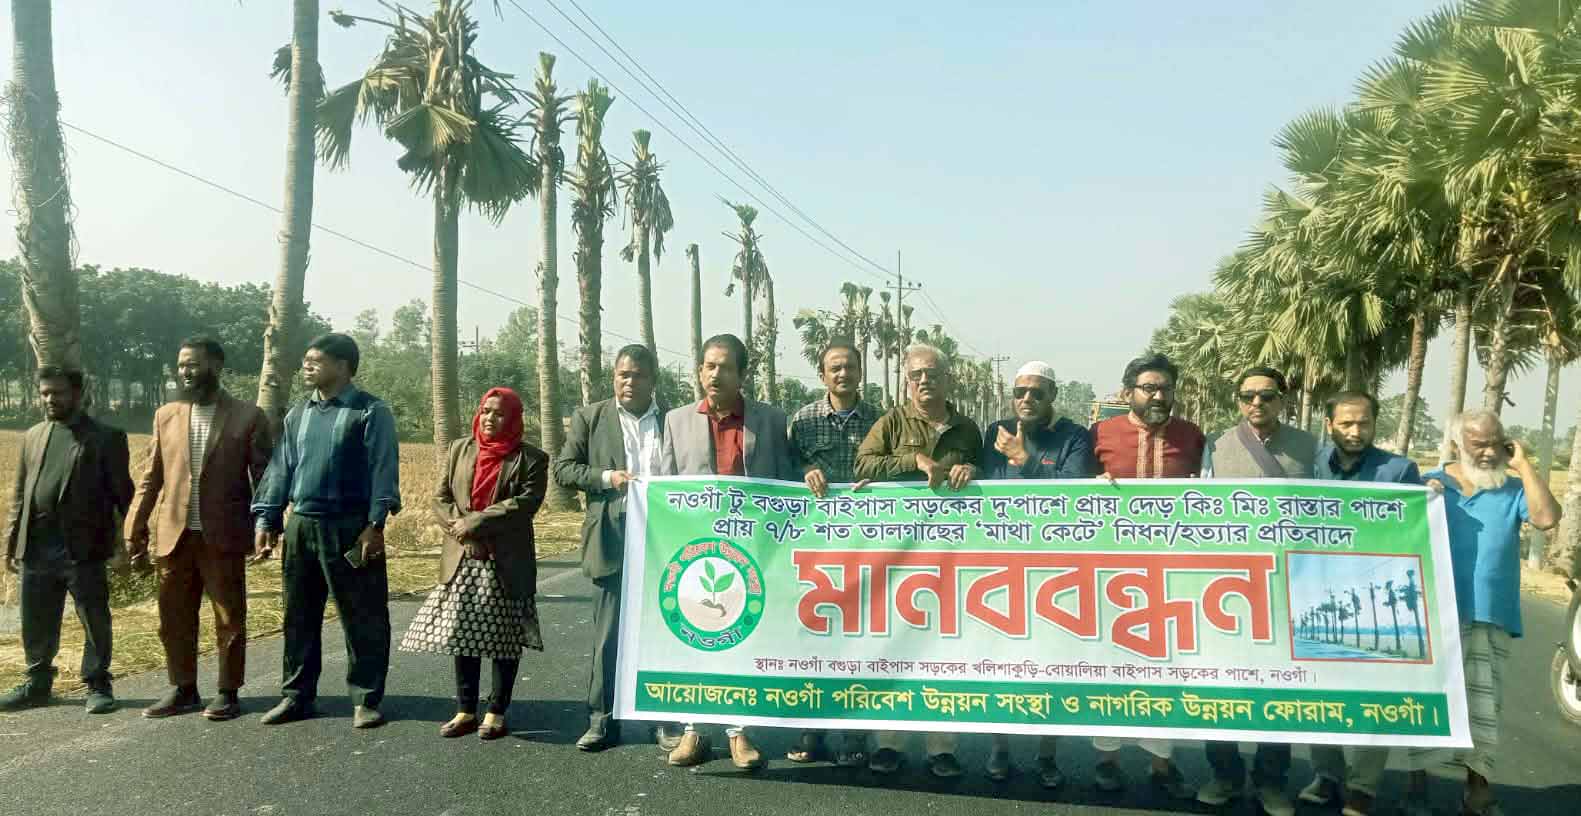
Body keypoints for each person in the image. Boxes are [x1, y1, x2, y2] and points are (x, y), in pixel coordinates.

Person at [1403, 410, 1560, 816]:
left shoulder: (1512, 488)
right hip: (1433, 616)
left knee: (1484, 709)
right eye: (1479, 444)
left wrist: (1524, 464)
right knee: (1427, 703)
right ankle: (1417, 789)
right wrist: (1420, 499)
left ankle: (1477, 792)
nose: (1489, 452)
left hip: (1491, 614)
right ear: (1458, 444)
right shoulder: (1430, 485)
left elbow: (1546, 518)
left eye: (1496, 442)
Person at [658, 333, 797, 770]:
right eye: (709, 366)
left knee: (742, 638)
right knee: (694, 638)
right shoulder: (676, 421)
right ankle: (694, 730)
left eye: (725, 367)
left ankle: (739, 733)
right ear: (700, 370)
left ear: (743, 375)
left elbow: (785, 484)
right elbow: (665, 490)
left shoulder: (771, 421)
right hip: (695, 553)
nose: (715, 374)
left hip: (753, 551)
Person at [252, 333, 401, 729]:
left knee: (363, 616)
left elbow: (383, 469)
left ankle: (366, 699)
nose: (306, 366)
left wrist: (375, 525)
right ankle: (297, 696)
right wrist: (267, 519)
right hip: (302, 526)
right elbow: (281, 468)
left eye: (315, 361)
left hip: (351, 527)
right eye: (305, 360)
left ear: (343, 366)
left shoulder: (370, 411)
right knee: (298, 614)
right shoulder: (297, 414)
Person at [125, 337, 274, 721]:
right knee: (173, 618)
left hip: (222, 536)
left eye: (192, 364)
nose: (185, 372)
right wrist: (134, 525)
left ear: (216, 366)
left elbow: (265, 478)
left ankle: (228, 691)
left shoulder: (248, 416)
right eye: (181, 365)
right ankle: (183, 688)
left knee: (229, 617)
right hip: (174, 536)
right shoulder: (166, 415)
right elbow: (151, 477)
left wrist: (267, 524)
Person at [854, 343, 981, 779]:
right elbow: (863, 464)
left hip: (950, 558)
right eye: (916, 375)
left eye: (932, 374)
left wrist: (972, 473)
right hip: (898, 556)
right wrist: (914, 460)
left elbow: (989, 478)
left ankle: (941, 747)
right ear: (907, 381)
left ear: (948, 379)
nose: (924, 381)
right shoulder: (892, 422)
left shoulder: (968, 429)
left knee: (944, 650)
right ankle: (888, 743)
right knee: (896, 647)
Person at [1196, 366, 1317, 816]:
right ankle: (1224, 775)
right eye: (1248, 396)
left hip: (1287, 585)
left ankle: (1271, 782)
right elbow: (1200, 510)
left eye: (1266, 396)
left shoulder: (1310, 447)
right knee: (1220, 685)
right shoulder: (1215, 446)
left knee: (1279, 689)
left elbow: (1334, 505)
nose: (1256, 403)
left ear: (1282, 400)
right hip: (1226, 587)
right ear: (1238, 400)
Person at [1297, 391, 1422, 815]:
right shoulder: (1310, 465)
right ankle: (1327, 775)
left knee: (1377, 696)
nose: (1355, 431)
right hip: (1314, 591)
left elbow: (1415, 528)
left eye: (1363, 423)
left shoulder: (1399, 470)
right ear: (1329, 424)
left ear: (1374, 424)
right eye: (1346, 423)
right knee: (1318, 691)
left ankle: (1362, 788)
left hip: (1375, 598)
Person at [400, 387, 546, 741]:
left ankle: (496, 711)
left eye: (499, 413)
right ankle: (465, 709)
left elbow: (525, 503)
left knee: (503, 638)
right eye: (486, 411)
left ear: (513, 419)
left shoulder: (531, 459)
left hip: (505, 560)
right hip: (463, 556)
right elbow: (441, 498)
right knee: (463, 634)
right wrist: (464, 534)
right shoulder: (459, 449)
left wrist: (476, 523)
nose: (490, 418)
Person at [1086, 353, 1199, 799]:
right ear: (1127, 391)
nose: (1157, 396)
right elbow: (1070, 491)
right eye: (1149, 388)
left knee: (1168, 667)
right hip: (1110, 571)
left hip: (1172, 572)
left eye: (1165, 388)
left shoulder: (1192, 436)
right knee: (1109, 664)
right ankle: (1106, 760)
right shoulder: (1101, 434)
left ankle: (1161, 763)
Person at [977, 361, 1091, 785]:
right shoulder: (996, 431)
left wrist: (1023, 459)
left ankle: (1047, 754)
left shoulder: (1075, 436)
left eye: (1036, 393)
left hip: (1055, 567)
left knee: (1052, 664)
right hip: (1001, 563)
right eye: (1020, 392)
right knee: (998, 662)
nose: (1026, 399)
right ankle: (999, 747)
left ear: (1052, 396)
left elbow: (1072, 488)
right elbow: (984, 484)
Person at [553, 344, 672, 753]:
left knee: (663, 631)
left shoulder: (673, 419)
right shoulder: (590, 417)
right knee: (608, 634)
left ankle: (664, 720)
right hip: (611, 535)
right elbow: (564, 469)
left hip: (664, 540)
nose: (629, 381)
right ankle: (602, 720)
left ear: (653, 380)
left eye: (638, 375)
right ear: (613, 377)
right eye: (623, 374)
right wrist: (607, 478)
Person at [1, 367, 133, 714]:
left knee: (93, 616)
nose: (50, 399)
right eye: (44, 393)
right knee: (36, 617)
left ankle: (98, 684)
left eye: (57, 392)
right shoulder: (33, 435)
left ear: (77, 393)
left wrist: (121, 544)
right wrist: (12, 541)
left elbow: (124, 496)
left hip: (82, 547)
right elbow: (20, 493)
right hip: (37, 544)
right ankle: (37, 684)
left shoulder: (106, 437)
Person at [785, 340, 881, 768]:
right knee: (814, 636)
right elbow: (785, 469)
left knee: (860, 640)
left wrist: (880, 481)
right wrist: (804, 471)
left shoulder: (882, 420)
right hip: (815, 548)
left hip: (867, 547)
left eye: (849, 367)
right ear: (822, 375)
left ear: (860, 372)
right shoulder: (802, 421)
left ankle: (855, 734)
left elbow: (896, 468)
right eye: (834, 368)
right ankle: (811, 730)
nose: (843, 374)